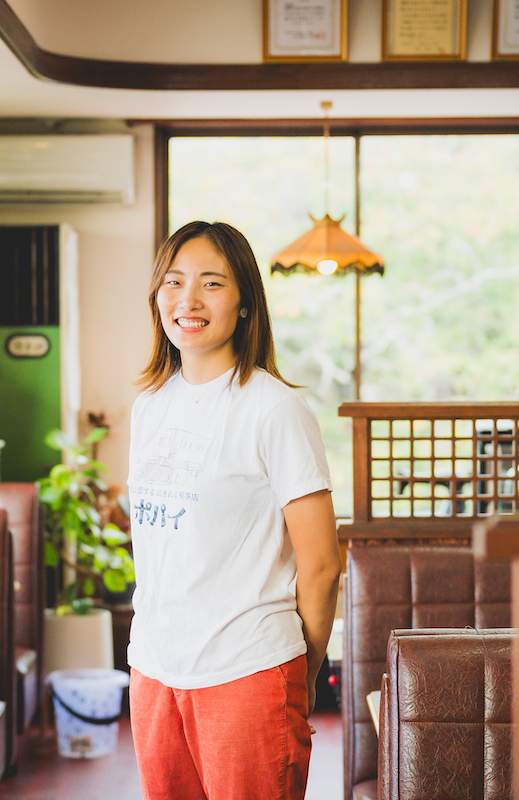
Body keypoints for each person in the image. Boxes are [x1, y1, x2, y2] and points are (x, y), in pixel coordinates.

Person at [126, 220, 341, 800]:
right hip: (154, 668)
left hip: (247, 669)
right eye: (174, 282)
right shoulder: (150, 406)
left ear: (245, 301)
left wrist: (300, 671)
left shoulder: (274, 409)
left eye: (212, 283)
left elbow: (322, 566)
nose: (188, 300)